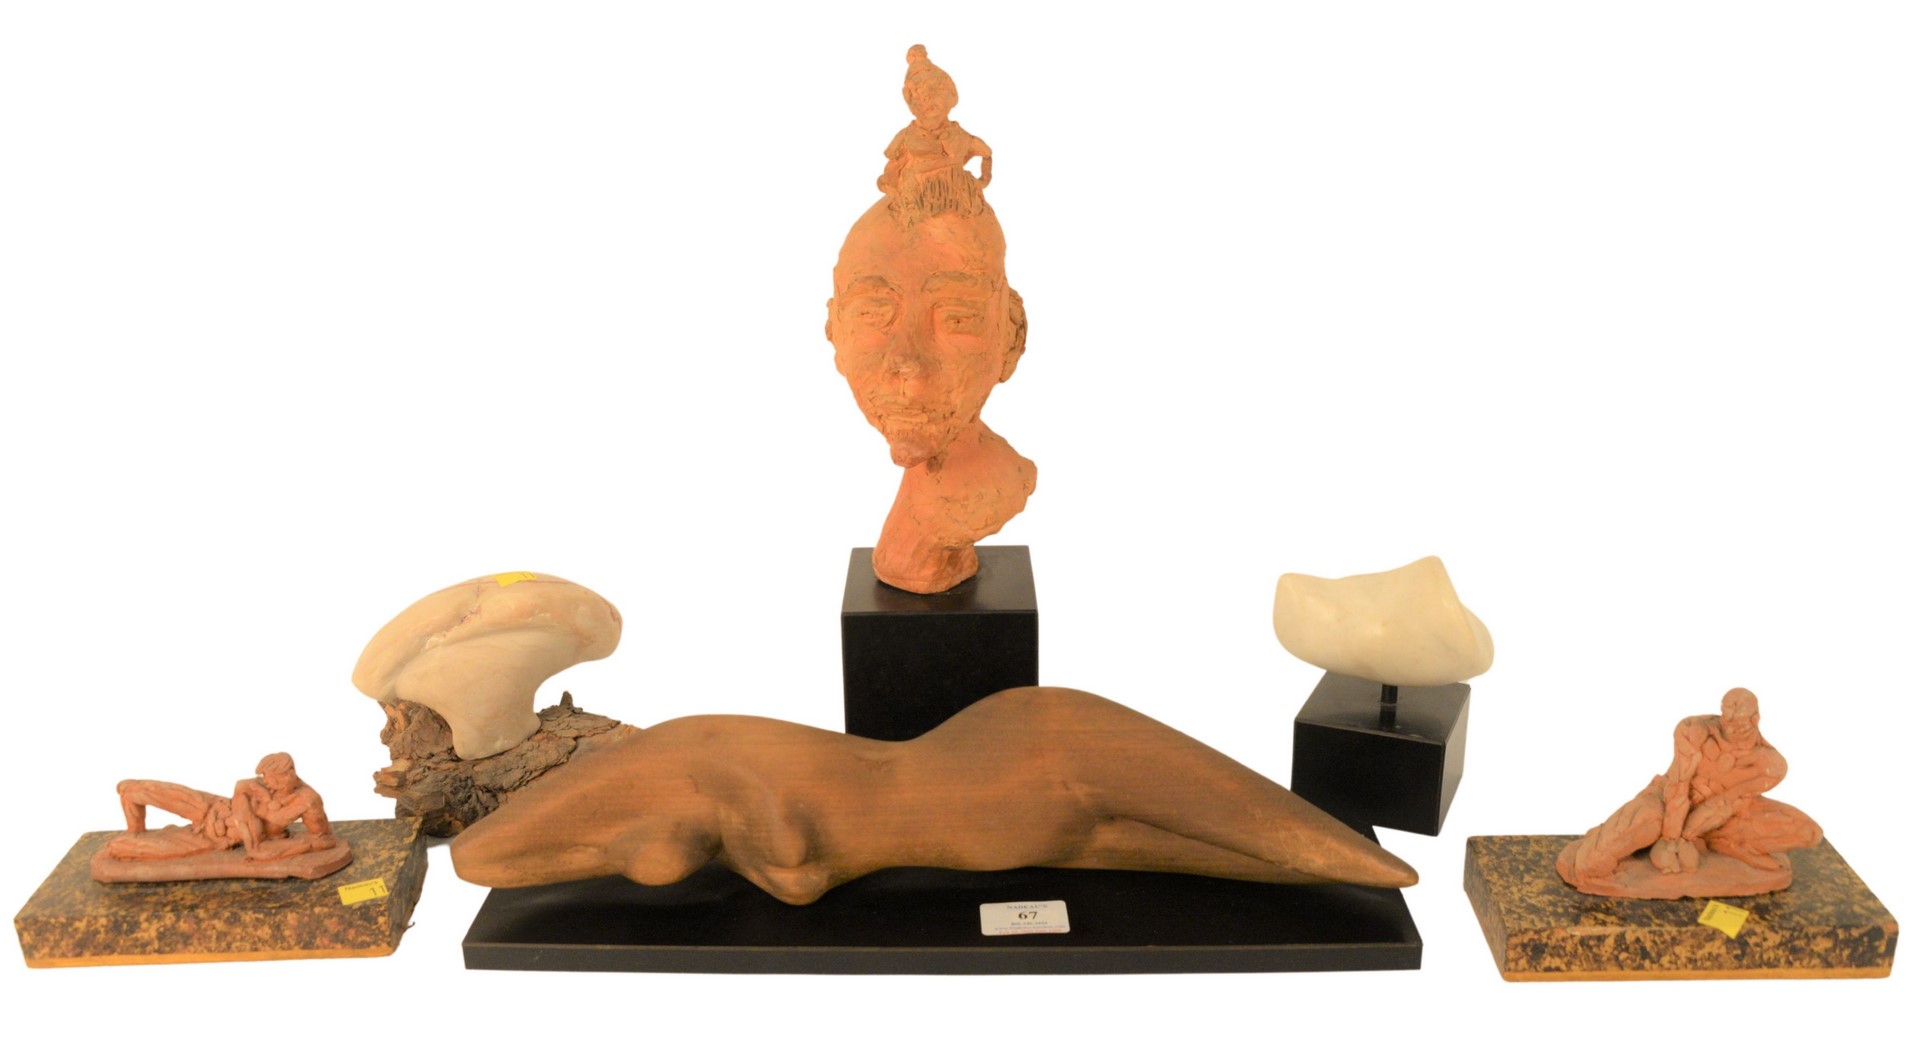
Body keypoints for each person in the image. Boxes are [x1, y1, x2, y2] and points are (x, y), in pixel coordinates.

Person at [827, 46, 1034, 594]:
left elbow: (983, 153)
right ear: (833, 331)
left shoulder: (958, 141)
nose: (908, 363)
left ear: (1012, 337)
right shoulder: (908, 145)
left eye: (957, 319)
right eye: (873, 313)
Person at [1559, 688, 1823, 894]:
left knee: (1807, 831)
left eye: (1739, 719)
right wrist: (1670, 839)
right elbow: (1678, 785)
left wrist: (1687, 837)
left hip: (1721, 819)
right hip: (1667, 803)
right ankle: (1599, 854)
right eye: (1726, 715)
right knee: (1599, 857)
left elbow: (1726, 803)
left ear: (1755, 719)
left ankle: (1725, 844)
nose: (1729, 724)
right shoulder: (1694, 730)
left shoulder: (1770, 764)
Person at [108, 752, 336, 862]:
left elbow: (322, 839)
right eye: (265, 777)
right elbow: (242, 786)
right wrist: (249, 812)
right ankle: (135, 829)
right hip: (213, 807)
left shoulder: (307, 801)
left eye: (272, 779)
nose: (266, 782)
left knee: (120, 847)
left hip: (215, 836)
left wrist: (251, 828)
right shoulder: (266, 786)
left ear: (288, 775)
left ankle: (133, 838)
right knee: (131, 789)